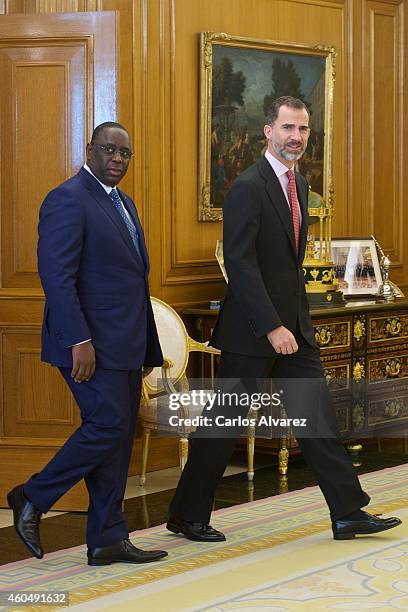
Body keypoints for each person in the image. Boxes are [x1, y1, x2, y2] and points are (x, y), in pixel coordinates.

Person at [166, 96, 401, 542]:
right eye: (288, 128)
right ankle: (186, 514)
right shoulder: (248, 187)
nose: (296, 137)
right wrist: (272, 326)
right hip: (254, 331)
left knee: (318, 419)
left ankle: (349, 512)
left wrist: (293, 325)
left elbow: (287, 266)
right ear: (268, 132)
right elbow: (240, 263)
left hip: (294, 328)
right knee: (223, 426)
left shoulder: (297, 183)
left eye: (304, 130)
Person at [7, 122, 167, 566]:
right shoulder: (67, 199)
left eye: (125, 154)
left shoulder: (124, 203)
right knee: (108, 427)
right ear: (89, 150)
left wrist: (145, 349)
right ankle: (32, 496)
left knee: (116, 439)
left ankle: (108, 538)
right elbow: (56, 278)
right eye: (109, 150)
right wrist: (79, 339)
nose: (118, 159)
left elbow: (131, 280)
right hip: (88, 345)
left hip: (126, 344)